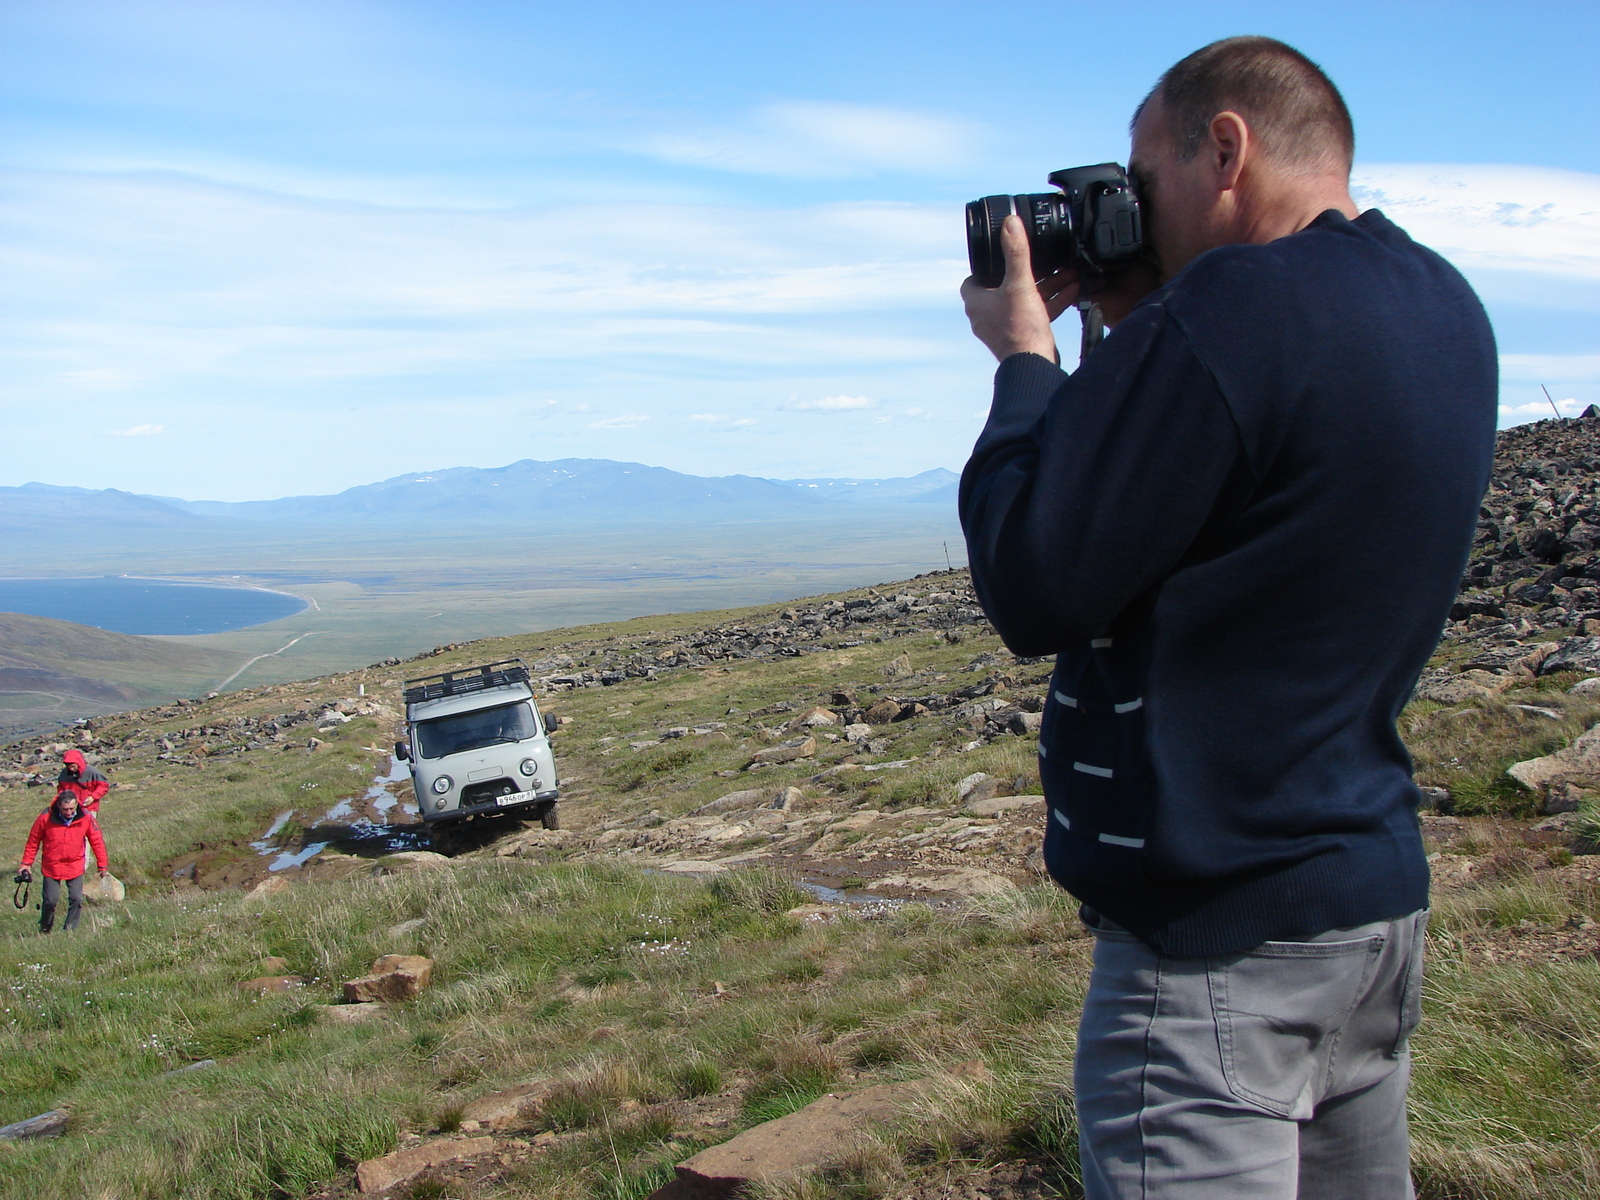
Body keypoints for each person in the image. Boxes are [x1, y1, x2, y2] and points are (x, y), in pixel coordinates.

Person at [958, 36, 1495, 1200]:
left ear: (1226, 147)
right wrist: (1133, 327)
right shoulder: (1444, 307)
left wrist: (1024, 362)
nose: (1134, 215)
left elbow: (1036, 578)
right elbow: (1217, 517)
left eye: (1141, 184)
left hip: (1217, 951)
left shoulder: (1233, 311)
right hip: (1366, 912)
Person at [19, 791, 109, 934]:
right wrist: (26, 864)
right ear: (59, 806)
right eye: (65, 809)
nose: (69, 812)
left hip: (75, 865)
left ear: (76, 805)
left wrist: (102, 864)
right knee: (50, 901)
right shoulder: (45, 817)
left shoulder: (85, 817)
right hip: (51, 866)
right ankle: (45, 928)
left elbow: (96, 840)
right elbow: (33, 841)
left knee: (76, 899)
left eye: (72, 809)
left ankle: (70, 931)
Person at [56, 747, 110, 814]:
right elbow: (61, 789)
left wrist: (92, 797)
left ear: (78, 763)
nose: (71, 769)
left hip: (89, 808)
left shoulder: (92, 772)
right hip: (71, 810)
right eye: (68, 766)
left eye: (73, 766)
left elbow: (104, 786)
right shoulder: (64, 774)